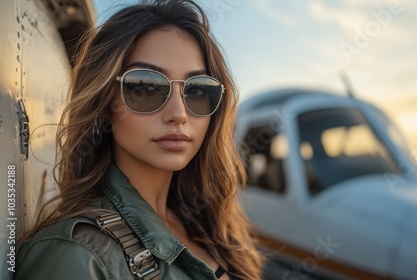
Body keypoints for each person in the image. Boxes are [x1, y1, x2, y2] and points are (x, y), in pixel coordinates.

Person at [15, 0, 263, 279]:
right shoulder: (77, 255)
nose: (179, 114)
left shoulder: (212, 226)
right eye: (146, 86)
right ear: (105, 102)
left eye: (198, 90)